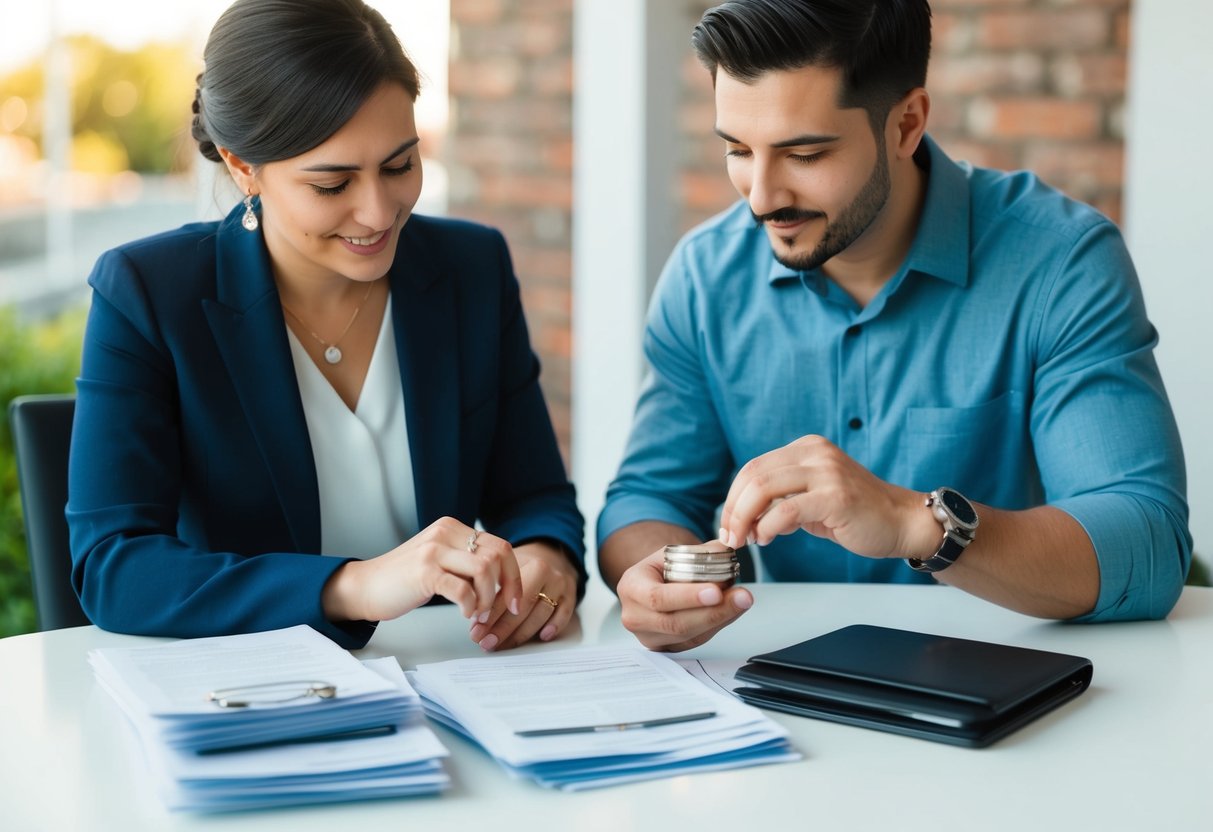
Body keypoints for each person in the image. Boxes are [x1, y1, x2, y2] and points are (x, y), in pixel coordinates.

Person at [597, 0, 1191, 651]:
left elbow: (1145, 544)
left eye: (804, 152)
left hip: (1009, 686)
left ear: (905, 124)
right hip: (785, 691)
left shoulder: (1059, 262)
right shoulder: (703, 277)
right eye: (738, 149)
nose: (761, 196)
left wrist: (913, 522)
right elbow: (649, 497)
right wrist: (653, 576)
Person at [67, 0, 584, 651]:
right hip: (250, 690)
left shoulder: (469, 268)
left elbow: (533, 493)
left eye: (399, 166)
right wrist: (356, 585)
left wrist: (547, 558)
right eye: (332, 183)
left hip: (454, 675)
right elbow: (116, 568)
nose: (377, 212)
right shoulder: (148, 292)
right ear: (242, 166)